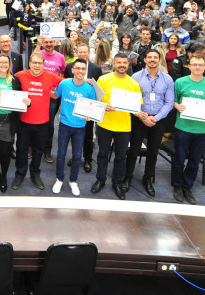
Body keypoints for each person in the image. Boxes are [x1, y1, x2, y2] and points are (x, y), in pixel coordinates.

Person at [171, 54, 205, 205]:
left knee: (194, 161)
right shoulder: (180, 82)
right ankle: (177, 185)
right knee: (179, 158)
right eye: (194, 64)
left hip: (202, 130)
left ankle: (187, 186)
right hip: (183, 128)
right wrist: (177, 106)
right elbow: (173, 101)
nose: (197, 67)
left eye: (200, 65)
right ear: (189, 66)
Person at [92, 53, 141, 200]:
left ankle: (117, 183)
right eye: (119, 62)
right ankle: (100, 180)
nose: (122, 65)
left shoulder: (133, 83)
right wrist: (103, 106)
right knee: (102, 154)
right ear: (113, 64)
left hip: (124, 127)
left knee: (121, 157)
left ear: (128, 65)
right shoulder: (103, 79)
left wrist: (143, 115)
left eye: (124, 63)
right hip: (104, 124)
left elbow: (137, 107)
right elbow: (95, 100)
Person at [128, 48, 175, 197]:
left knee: (153, 152)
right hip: (139, 118)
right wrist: (143, 117)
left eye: (156, 57)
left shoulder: (167, 79)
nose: (153, 60)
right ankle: (127, 177)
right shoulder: (136, 77)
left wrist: (156, 117)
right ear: (145, 60)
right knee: (133, 151)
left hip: (158, 120)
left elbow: (169, 103)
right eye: (150, 57)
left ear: (160, 60)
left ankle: (147, 179)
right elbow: (130, 99)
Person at [12, 52, 62, 191]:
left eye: (40, 63)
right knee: (21, 150)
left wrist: (84, 80)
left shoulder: (50, 76)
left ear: (43, 64)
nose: (37, 66)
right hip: (24, 121)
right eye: (34, 62)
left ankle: (35, 174)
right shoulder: (20, 75)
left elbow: (65, 83)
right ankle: (20, 174)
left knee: (38, 151)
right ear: (29, 63)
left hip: (42, 122)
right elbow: (5, 81)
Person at [51, 58, 97, 196]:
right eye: (78, 68)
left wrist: (90, 116)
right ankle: (59, 179)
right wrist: (40, 91)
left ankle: (73, 181)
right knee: (61, 154)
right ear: (72, 70)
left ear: (85, 71)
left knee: (77, 155)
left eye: (83, 69)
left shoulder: (89, 89)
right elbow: (55, 96)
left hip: (80, 127)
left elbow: (92, 107)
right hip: (64, 125)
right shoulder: (64, 84)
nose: (80, 71)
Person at [0, 54, 26, 193]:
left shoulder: (15, 80)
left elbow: (21, 99)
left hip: (8, 120)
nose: (3, 65)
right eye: (0, 62)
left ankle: (4, 177)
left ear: (9, 65)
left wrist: (27, 103)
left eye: (5, 62)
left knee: (5, 152)